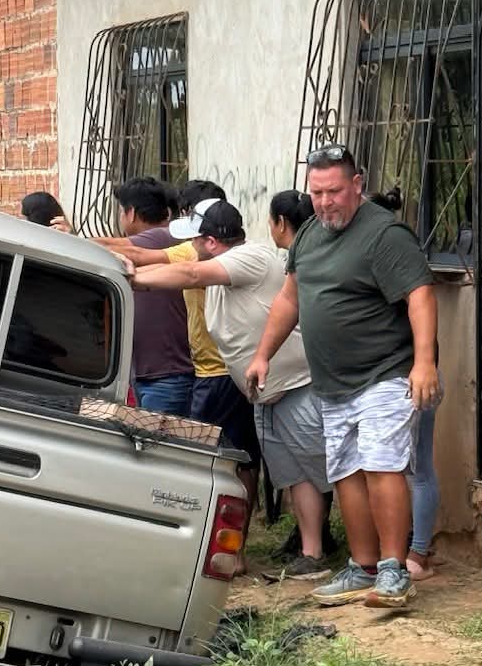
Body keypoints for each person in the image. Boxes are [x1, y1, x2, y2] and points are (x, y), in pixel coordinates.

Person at [246, 144, 439, 609]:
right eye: (316, 192)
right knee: (347, 472)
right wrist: (262, 355)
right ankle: (363, 566)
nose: (325, 201)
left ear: (357, 184)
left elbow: (420, 296)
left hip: (385, 373)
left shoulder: (385, 234)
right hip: (332, 383)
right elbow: (290, 300)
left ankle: (394, 571)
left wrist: (425, 362)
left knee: (381, 464)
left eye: (334, 191)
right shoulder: (309, 235)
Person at [124, 199, 332, 580]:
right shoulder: (220, 274)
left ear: (212, 241)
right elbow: (178, 267)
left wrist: (135, 279)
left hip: (295, 384)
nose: (193, 246)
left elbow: (186, 273)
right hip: (266, 393)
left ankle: (368, 558)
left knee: (324, 471)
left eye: (198, 239)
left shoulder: (248, 258)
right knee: (294, 476)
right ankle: (312, 553)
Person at [369, 188, 441, 581]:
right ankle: (410, 547)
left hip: (412, 374)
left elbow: (421, 311)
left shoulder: (396, 255)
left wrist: (424, 365)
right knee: (406, 467)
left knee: (418, 467)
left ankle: (419, 552)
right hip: (399, 375)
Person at [266, 189, 338, 562]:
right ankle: (314, 544)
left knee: (322, 466)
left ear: (280, 223)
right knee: (305, 469)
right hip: (294, 382)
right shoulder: (308, 259)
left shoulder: (288, 263)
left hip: (308, 383)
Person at [113, 177, 193, 415]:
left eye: (120, 211)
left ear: (132, 213)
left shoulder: (162, 239)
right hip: (149, 374)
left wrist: (69, 239)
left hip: (166, 376)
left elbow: (125, 249)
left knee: (157, 447)